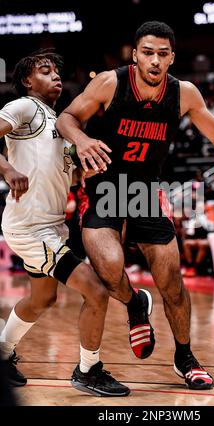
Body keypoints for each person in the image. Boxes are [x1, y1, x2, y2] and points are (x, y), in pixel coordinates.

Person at [56, 21, 214, 390]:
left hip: (146, 191)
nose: (155, 60)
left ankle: (185, 356)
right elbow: (67, 116)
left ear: (172, 58)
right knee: (110, 268)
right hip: (103, 186)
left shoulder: (185, 93)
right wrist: (81, 140)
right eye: (148, 52)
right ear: (135, 55)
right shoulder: (111, 83)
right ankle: (134, 305)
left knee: (172, 284)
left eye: (163, 54)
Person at [0, 50, 130, 397]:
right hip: (32, 228)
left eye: (57, 71)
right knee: (97, 291)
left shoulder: (55, 121)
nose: (55, 76)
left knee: (43, 299)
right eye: (45, 71)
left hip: (50, 226)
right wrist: (7, 169)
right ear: (28, 81)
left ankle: (1, 354)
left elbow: (62, 178)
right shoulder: (24, 107)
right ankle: (89, 370)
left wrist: (81, 171)